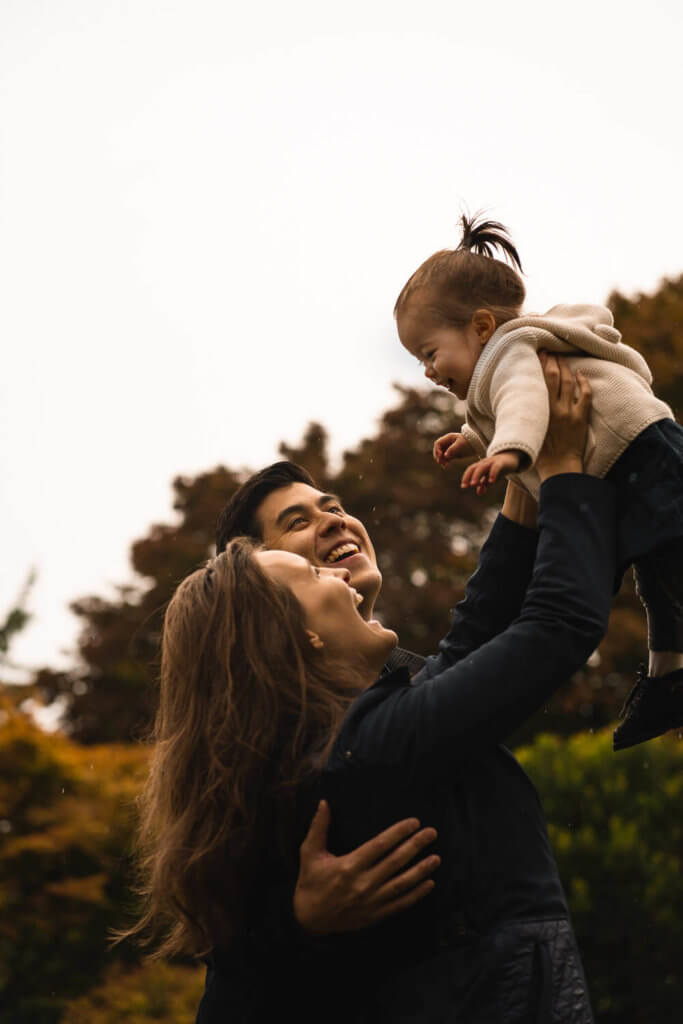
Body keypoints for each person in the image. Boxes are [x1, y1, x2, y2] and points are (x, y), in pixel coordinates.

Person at [121, 359, 616, 1021]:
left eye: (335, 506)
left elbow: (473, 635)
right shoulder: (360, 746)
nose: (335, 525)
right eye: (295, 535)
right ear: (285, 631)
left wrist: (522, 477)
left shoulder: (354, 727)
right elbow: (553, 626)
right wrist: (563, 472)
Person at [395, 212, 683, 750]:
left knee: (671, 572)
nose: (429, 372)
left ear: (481, 327)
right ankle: (668, 674)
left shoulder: (508, 353)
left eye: (430, 354)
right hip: (631, 463)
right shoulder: (504, 365)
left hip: (644, 456)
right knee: (661, 579)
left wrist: (506, 453)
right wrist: (475, 440)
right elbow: (508, 409)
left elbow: (525, 401)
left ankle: (669, 677)